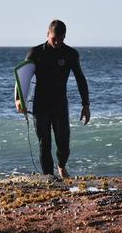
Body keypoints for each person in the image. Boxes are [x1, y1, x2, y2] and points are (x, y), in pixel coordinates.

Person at [15, 20, 90, 178]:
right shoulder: (35, 53)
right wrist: (19, 98)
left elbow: (80, 79)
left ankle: (61, 165)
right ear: (48, 34)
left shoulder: (70, 54)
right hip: (40, 104)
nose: (57, 42)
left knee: (64, 144)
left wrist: (86, 104)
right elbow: (23, 77)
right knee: (45, 143)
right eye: (54, 38)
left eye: (61, 39)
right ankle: (49, 177)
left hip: (60, 104)